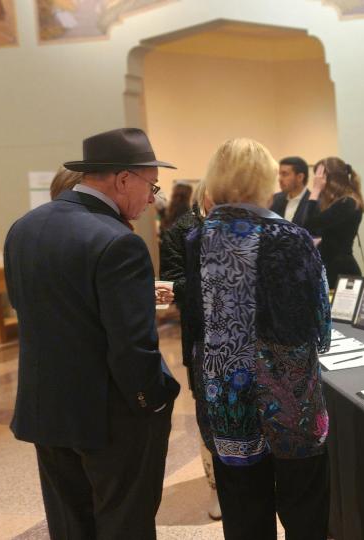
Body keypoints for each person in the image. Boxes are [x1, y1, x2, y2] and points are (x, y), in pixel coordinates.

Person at [3, 127, 181, 540]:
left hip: (45, 408)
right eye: (151, 185)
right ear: (122, 180)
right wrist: (151, 400)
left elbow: (27, 314)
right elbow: (132, 345)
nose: (152, 198)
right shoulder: (118, 241)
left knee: (69, 522)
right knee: (125, 522)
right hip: (110, 416)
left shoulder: (23, 228)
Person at [184, 138, 331, 540]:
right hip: (289, 393)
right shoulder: (291, 237)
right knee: (304, 504)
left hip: (226, 392)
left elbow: (200, 317)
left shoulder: (198, 238)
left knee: (243, 506)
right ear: (264, 178)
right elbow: (319, 322)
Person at [158, 180, 223, 521]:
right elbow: (169, 285)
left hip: (245, 340)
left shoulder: (238, 225)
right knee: (208, 415)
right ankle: (216, 488)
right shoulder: (181, 230)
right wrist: (216, 282)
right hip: (200, 336)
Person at [299, 156, 364, 286]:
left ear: (328, 179)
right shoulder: (345, 202)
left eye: (318, 178)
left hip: (340, 272)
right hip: (336, 269)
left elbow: (307, 225)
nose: (316, 181)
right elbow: (336, 235)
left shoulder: (346, 203)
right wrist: (321, 241)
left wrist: (315, 191)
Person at [269, 156, 311, 224]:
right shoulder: (275, 199)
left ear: (300, 177)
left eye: (284, 174)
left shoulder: (313, 204)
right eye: (280, 174)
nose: (280, 179)